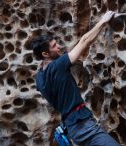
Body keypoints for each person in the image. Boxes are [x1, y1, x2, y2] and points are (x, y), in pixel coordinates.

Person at [30, 11, 120, 146]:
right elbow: (85, 41)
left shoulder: (40, 78)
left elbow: (69, 52)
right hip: (83, 126)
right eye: (55, 46)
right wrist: (103, 21)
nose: (59, 46)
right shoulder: (57, 67)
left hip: (72, 128)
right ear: (45, 54)